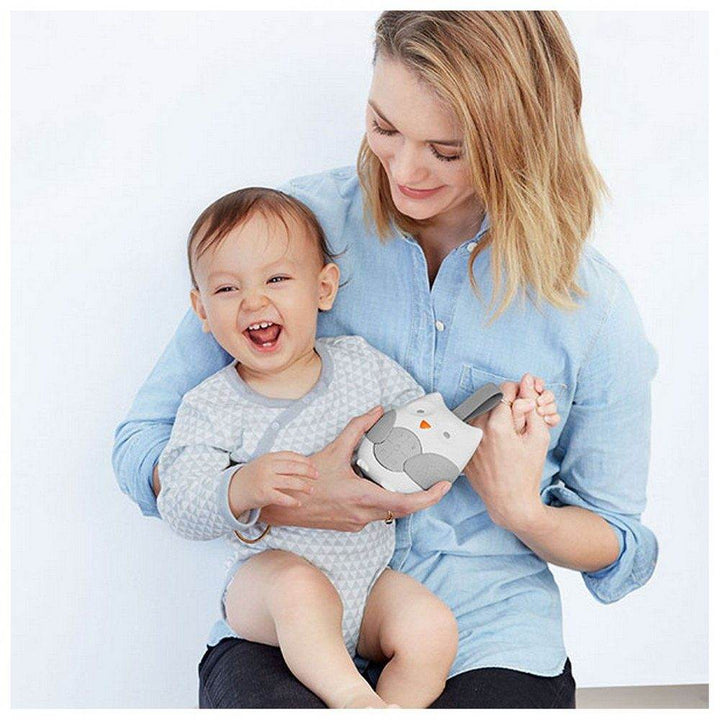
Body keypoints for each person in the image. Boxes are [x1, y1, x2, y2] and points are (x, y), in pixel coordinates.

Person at [113, 11, 658, 709]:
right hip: (293, 616)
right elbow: (143, 446)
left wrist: (524, 511)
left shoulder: (591, 304)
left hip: (486, 631)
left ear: (520, 140)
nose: (403, 169)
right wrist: (286, 494)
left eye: (447, 150)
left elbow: (623, 544)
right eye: (384, 127)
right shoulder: (288, 232)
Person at [156, 187, 554, 708]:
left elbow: (426, 427)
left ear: (323, 287)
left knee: (431, 626)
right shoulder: (211, 405)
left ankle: (393, 708)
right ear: (202, 310)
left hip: (364, 585)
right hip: (267, 589)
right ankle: (354, 702)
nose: (254, 301)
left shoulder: (360, 365)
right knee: (299, 588)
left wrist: (492, 409)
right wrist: (241, 485)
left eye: (276, 279)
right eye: (227, 288)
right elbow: (178, 503)